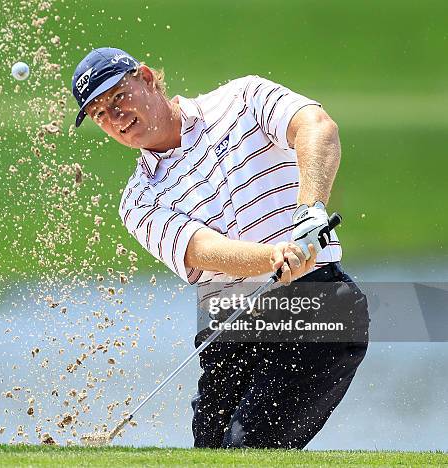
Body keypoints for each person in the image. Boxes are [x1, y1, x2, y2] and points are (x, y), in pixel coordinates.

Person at [71, 47, 369, 449]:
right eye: (99, 114)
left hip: (317, 304)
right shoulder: (137, 200)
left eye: (118, 97)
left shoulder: (242, 98)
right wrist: (271, 257)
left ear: (146, 77)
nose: (116, 118)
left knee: (247, 448)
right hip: (229, 329)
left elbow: (316, 126)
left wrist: (311, 210)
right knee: (212, 453)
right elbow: (203, 250)